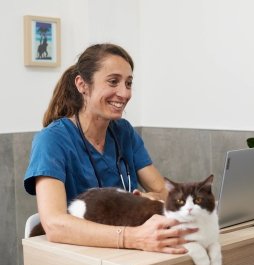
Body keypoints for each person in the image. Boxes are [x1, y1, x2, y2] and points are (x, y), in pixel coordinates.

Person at [24, 43, 195, 253]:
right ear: (82, 85)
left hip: (128, 253)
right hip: (81, 255)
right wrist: (133, 238)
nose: (124, 93)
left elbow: (163, 191)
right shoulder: (52, 140)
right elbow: (54, 225)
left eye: (129, 83)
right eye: (113, 82)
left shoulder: (124, 132)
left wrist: (150, 198)